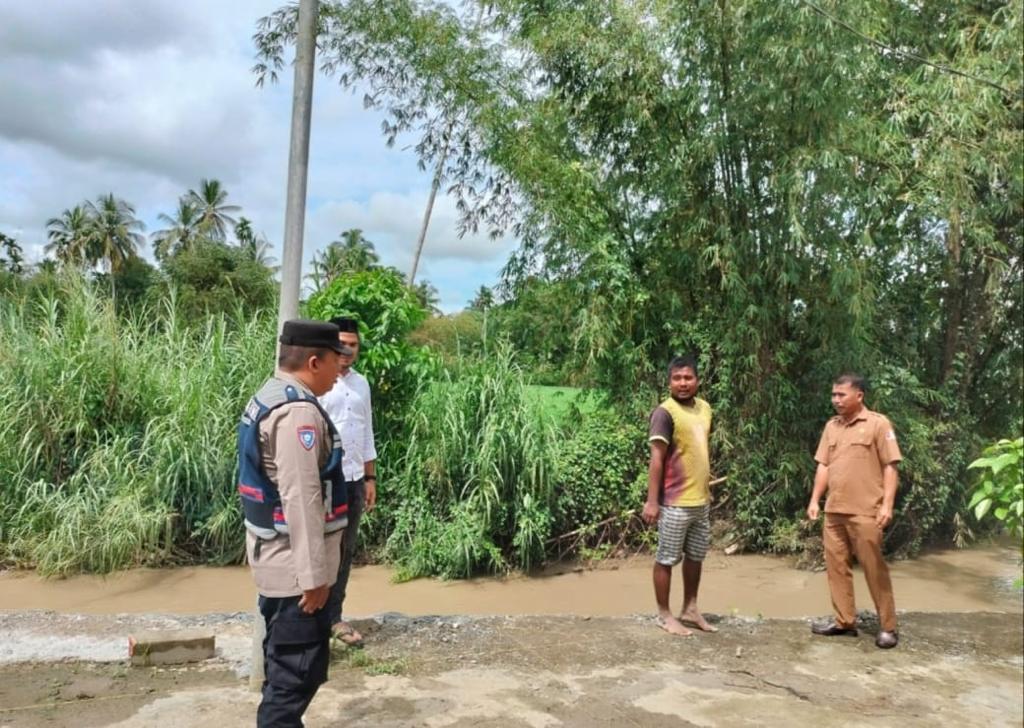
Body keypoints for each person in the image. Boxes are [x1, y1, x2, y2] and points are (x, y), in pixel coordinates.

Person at [237, 319, 353, 727]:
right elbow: (302, 498)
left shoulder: (270, 395)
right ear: (315, 361)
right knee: (293, 680)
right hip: (295, 576)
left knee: (287, 673)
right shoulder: (298, 412)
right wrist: (314, 578)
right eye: (336, 364)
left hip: (277, 561)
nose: (340, 374)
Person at [806, 372, 902, 649]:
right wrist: (815, 500)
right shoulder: (831, 427)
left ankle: (888, 627)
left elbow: (890, 465)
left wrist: (887, 504)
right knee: (836, 567)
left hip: (866, 511)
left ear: (859, 396)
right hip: (834, 510)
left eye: (841, 395)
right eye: (834, 395)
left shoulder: (878, 424)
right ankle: (844, 621)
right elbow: (823, 465)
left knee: (874, 568)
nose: (835, 400)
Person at [642, 355, 718, 636]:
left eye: (688, 378)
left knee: (696, 556)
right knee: (666, 558)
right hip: (674, 502)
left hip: (701, 501)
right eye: (677, 378)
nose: (683, 383)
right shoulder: (665, 413)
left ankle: (690, 608)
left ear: (697, 380)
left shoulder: (705, 409)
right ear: (669, 381)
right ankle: (664, 614)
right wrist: (652, 501)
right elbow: (657, 459)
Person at [319, 316, 377, 647]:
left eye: (353, 344)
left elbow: (366, 432)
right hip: (326, 480)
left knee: (345, 549)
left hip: (355, 479)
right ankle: (310, 618)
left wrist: (370, 477)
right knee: (321, 547)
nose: (347, 350)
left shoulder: (361, 384)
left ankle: (334, 618)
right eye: (341, 343)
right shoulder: (318, 383)